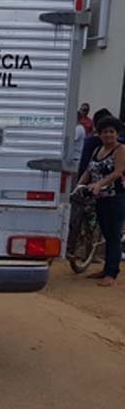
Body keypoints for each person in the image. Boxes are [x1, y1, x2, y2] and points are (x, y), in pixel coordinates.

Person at [75, 113, 125, 286]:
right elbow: (89, 170)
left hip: (115, 198)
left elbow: (118, 172)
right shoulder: (98, 150)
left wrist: (99, 184)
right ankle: (106, 269)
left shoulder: (120, 150)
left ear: (117, 133)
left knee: (113, 235)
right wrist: (79, 186)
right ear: (99, 133)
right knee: (105, 232)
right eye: (104, 132)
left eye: (111, 132)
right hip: (101, 198)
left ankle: (111, 273)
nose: (108, 135)